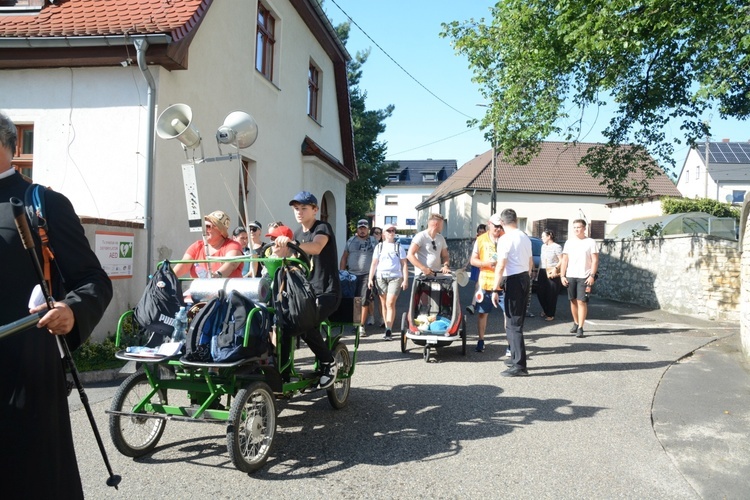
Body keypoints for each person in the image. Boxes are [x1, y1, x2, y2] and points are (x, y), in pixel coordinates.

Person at [0, 111, 113, 498]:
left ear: (9, 147)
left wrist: (72, 310)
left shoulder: (42, 203)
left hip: (25, 369)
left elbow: (93, 281)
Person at [273, 191, 340, 389]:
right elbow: (289, 256)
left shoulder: (322, 227)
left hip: (326, 291)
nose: (299, 212)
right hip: (304, 293)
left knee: (305, 322)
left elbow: (317, 247)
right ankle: (282, 373)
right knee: (283, 323)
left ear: (315, 209)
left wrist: (293, 244)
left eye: (304, 208)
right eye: (296, 209)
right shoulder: (297, 233)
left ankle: (329, 363)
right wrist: (278, 251)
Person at [491, 208, 533, 377]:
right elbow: (530, 262)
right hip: (524, 278)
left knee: (513, 323)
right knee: (515, 321)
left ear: (502, 222)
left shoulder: (505, 239)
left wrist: (495, 288)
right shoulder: (524, 236)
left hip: (514, 280)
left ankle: (520, 366)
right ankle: (515, 357)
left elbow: (501, 265)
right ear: (515, 220)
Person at [172, 210, 243, 279]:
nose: (204, 229)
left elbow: (231, 264)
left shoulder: (233, 246)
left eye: (208, 226)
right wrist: (168, 277)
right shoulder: (197, 246)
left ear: (220, 230)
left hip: (226, 289)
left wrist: (217, 275)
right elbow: (184, 265)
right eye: (203, 226)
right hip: (199, 289)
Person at [469, 215, 504, 352]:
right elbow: (473, 261)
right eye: (495, 226)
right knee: (482, 313)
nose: (498, 229)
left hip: (503, 282)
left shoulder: (505, 238)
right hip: (486, 282)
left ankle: (510, 343)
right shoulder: (480, 240)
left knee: (507, 314)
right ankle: (481, 340)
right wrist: (486, 264)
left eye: (500, 226)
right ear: (489, 224)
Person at [368, 223, 409, 340]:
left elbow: (404, 264)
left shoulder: (398, 247)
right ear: (384, 234)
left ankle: (388, 330)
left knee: (390, 303)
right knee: (384, 303)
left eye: (393, 230)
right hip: (381, 277)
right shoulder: (379, 247)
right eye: (389, 231)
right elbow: (374, 263)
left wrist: (405, 279)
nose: (391, 232)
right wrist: (370, 278)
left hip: (395, 277)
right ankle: (387, 326)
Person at [560, 219, 599, 337]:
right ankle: (576, 322)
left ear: (584, 228)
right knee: (572, 300)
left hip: (584, 276)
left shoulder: (591, 242)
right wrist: (562, 275)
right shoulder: (569, 242)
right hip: (571, 275)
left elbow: (595, 260)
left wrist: (592, 275)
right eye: (575, 227)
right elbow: (564, 260)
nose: (576, 229)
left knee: (581, 301)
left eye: (578, 227)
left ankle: (581, 327)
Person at [340, 218, 376, 336]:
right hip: (352, 275)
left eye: (364, 228)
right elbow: (344, 257)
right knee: (355, 300)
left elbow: (379, 257)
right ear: (357, 229)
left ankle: (361, 326)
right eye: (360, 228)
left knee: (364, 299)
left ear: (368, 230)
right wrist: (341, 272)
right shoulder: (351, 240)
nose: (362, 230)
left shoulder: (373, 241)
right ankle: (356, 324)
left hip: (367, 275)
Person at [536, 229, 563, 321]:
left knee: (551, 294)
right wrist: (537, 271)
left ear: (549, 236)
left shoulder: (557, 247)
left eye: (543, 236)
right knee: (540, 293)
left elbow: (562, 260)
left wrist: (556, 268)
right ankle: (545, 309)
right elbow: (541, 260)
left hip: (552, 271)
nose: (542, 238)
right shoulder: (543, 246)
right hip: (543, 271)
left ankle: (550, 314)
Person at [466, 223, 487, 315]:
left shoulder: (488, 241)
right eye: (480, 231)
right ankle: (476, 303)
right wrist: (466, 265)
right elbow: (472, 255)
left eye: (483, 231)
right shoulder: (477, 241)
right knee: (478, 286)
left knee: (478, 286)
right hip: (477, 265)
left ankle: (473, 305)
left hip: (485, 265)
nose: (481, 233)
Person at [368, 226, 383, 326]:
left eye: (379, 233)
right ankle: (371, 317)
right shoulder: (369, 244)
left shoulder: (383, 245)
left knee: (381, 297)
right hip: (370, 273)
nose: (378, 235)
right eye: (375, 233)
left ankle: (382, 318)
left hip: (381, 274)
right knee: (370, 297)